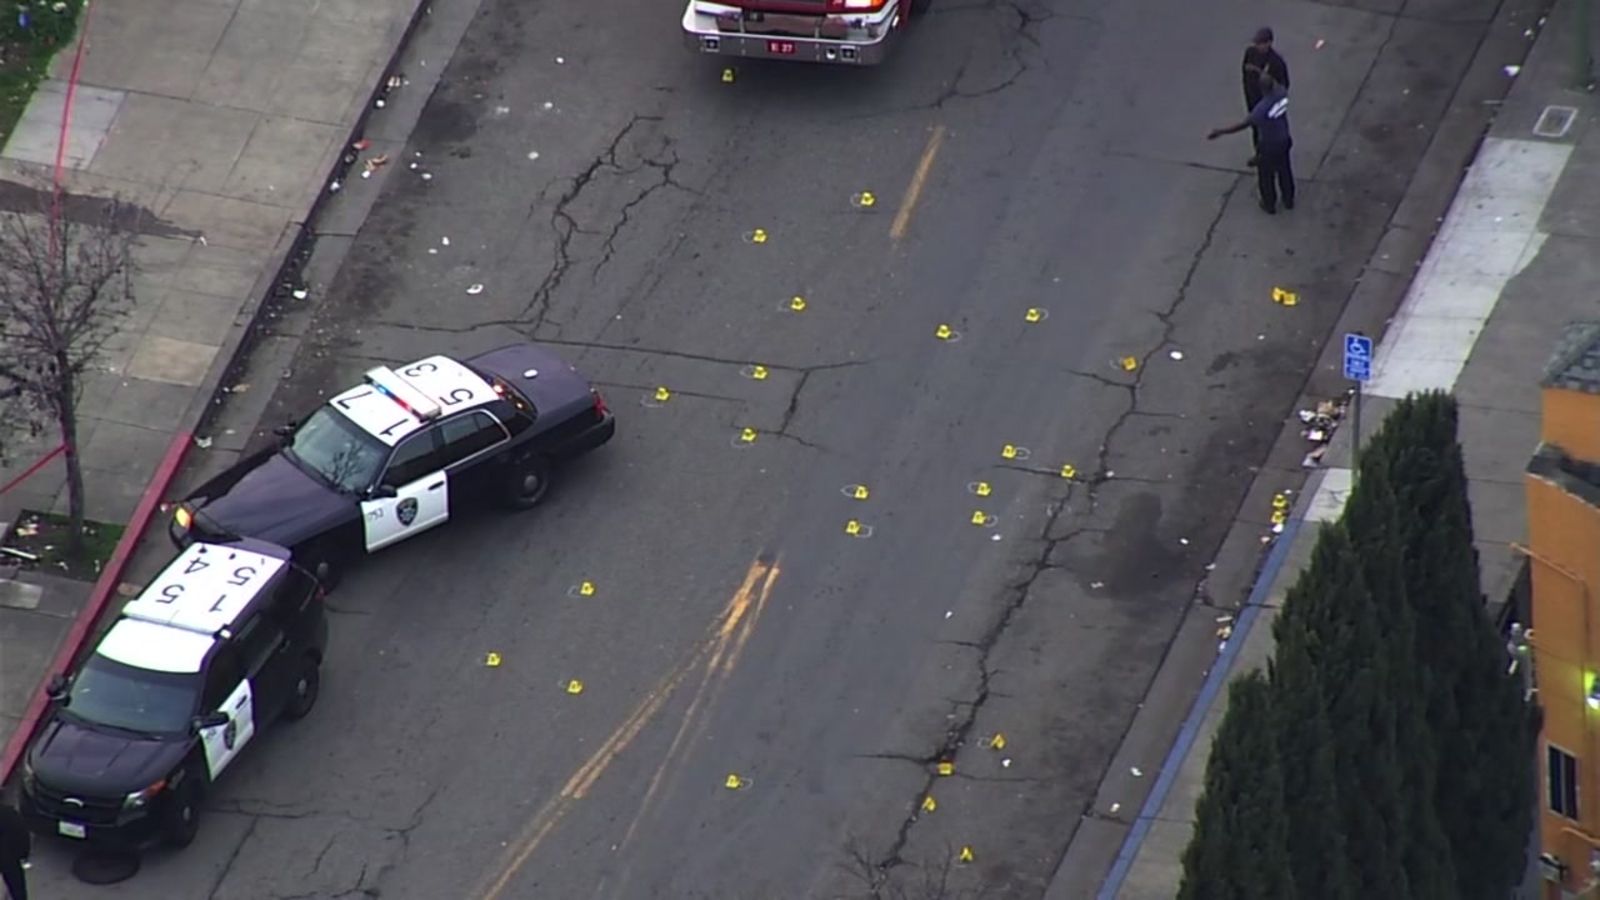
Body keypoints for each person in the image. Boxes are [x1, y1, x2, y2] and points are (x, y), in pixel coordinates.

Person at [1208, 71, 1295, 214]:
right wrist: (1261, 71)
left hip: (1268, 145)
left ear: (1261, 89)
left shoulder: (1260, 110)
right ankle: (1288, 199)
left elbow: (1241, 125)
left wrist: (1220, 131)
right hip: (1284, 139)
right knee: (1285, 170)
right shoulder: (1282, 93)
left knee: (1266, 175)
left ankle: (1269, 203)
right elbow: (1274, 81)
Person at [1242, 27, 1290, 167]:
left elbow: (1283, 85)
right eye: (1256, 43)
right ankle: (1259, 154)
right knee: (1256, 129)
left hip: (1269, 103)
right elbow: (1245, 75)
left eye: (1261, 43)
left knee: (1270, 132)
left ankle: (1273, 157)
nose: (1258, 46)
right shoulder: (1250, 53)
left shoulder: (1276, 62)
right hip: (1253, 99)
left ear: (1269, 43)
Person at [0, 802, 28, 900]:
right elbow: (22, 834)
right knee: (17, 889)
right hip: (10, 859)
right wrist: (24, 855)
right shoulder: (9, 813)